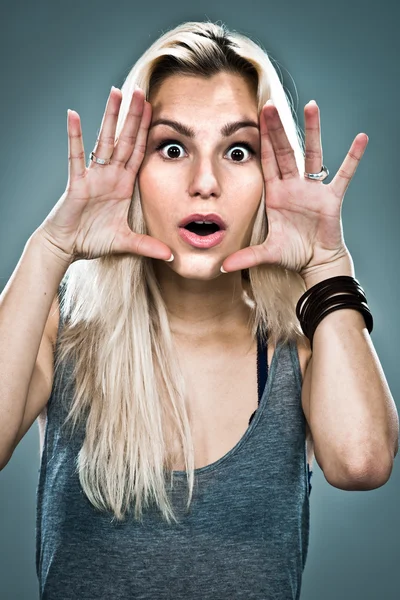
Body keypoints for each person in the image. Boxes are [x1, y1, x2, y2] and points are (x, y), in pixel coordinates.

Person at [0, 20, 398, 600]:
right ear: (132, 166)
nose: (204, 182)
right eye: (172, 148)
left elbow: (362, 464)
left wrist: (327, 264)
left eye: (238, 151)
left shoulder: (300, 344)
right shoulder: (63, 325)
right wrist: (50, 249)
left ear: (271, 176)